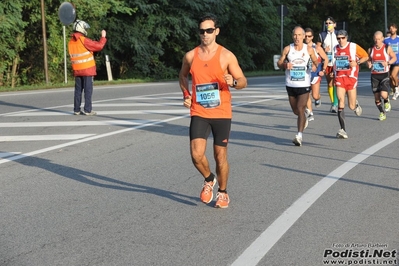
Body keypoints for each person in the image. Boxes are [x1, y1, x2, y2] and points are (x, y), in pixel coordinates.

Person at [178, 14, 247, 208]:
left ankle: (223, 192)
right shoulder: (191, 56)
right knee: (196, 154)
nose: (205, 34)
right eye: (202, 31)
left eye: (209, 30)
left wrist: (233, 82)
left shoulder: (226, 55)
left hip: (222, 112)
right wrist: (185, 94)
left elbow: (243, 81)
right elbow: (182, 76)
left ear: (216, 31)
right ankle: (209, 179)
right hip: (199, 111)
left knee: (220, 156)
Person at [277, 26, 319, 146]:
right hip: (290, 84)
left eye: (299, 35)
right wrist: (285, 65)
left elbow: (316, 62)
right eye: (295, 35)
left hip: (304, 84)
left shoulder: (309, 49)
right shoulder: (287, 49)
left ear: (303, 36)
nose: (297, 37)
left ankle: (299, 136)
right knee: (296, 110)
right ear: (292, 36)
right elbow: (279, 63)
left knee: (300, 108)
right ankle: (305, 113)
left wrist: (314, 66)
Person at [333, 30, 369, 139]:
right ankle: (343, 129)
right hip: (340, 77)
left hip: (351, 77)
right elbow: (333, 61)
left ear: (346, 38)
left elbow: (366, 56)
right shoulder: (335, 48)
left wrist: (356, 62)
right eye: (338, 38)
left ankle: (356, 105)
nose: (340, 40)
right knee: (340, 101)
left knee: (351, 105)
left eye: (342, 38)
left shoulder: (353, 47)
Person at [68, 20, 107, 115]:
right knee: (88, 90)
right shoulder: (83, 40)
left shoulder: (71, 42)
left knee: (78, 90)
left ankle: (76, 110)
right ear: (81, 29)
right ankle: (88, 110)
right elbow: (98, 46)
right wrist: (103, 37)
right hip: (87, 69)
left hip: (77, 70)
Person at [367, 31, 396, 120]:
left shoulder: (387, 48)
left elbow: (394, 58)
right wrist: (369, 64)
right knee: (376, 97)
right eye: (375, 39)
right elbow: (368, 60)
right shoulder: (370, 50)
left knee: (383, 94)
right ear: (373, 39)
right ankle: (382, 112)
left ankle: (387, 101)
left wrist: (387, 62)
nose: (377, 41)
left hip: (384, 74)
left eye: (379, 39)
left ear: (382, 39)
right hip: (374, 75)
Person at [304, 28, 329, 122]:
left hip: (316, 74)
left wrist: (323, 70)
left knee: (314, 95)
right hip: (305, 75)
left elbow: (326, 59)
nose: (307, 38)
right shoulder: (301, 48)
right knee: (306, 94)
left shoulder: (317, 48)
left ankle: (318, 97)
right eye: (305, 36)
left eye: (309, 36)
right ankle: (310, 113)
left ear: (312, 37)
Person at [317, 16, 339, 113]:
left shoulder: (339, 34)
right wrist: (323, 50)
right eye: (326, 23)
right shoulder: (322, 35)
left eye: (330, 23)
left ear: (334, 24)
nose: (328, 25)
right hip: (327, 62)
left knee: (335, 82)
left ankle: (335, 104)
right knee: (330, 83)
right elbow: (317, 47)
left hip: (337, 62)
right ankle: (333, 102)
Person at [384, 23, 399, 100]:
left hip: (397, 61)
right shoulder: (386, 40)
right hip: (389, 62)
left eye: (393, 28)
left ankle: (397, 89)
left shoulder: (398, 39)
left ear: (396, 29)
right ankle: (395, 88)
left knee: (393, 75)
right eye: (390, 28)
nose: (391, 29)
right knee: (390, 77)